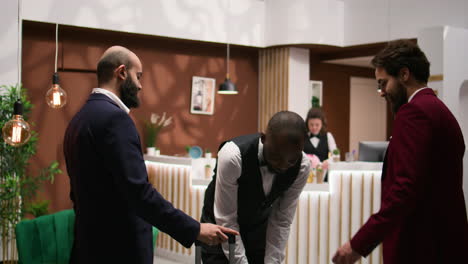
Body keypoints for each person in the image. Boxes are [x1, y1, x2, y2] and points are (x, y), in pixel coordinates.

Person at [63, 46, 238, 264]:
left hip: (87, 246)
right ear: (121, 73)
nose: (140, 85)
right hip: (119, 250)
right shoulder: (115, 120)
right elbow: (139, 194)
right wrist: (194, 229)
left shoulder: (78, 120)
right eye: (138, 76)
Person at [332, 39, 468, 264]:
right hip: (447, 243)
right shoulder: (441, 111)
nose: (381, 92)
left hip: (419, 246)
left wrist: (358, 244)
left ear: (404, 74)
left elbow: (404, 189)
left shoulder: (413, 113)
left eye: (383, 83)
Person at [200, 111, 311, 264]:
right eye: (277, 157)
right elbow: (227, 219)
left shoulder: (303, 166)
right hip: (219, 231)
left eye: (291, 161)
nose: (283, 165)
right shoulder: (233, 156)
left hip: (258, 232)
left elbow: (281, 220)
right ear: (263, 138)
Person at [303, 108, 337, 172]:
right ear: (307, 123)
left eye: (317, 125)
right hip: (307, 175)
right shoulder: (302, 137)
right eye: (311, 124)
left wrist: (328, 161)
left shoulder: (328, 136)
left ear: (322, 123)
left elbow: (336, 155)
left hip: (323, 174)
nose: (314, 127)